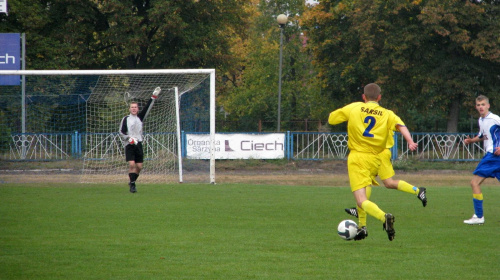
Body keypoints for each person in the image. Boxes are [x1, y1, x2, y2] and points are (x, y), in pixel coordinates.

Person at [328, 83, 403, 241]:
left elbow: (332, 119)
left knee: (361, 199)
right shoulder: (386, 113)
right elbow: (400, 126)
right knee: (365, 192)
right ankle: (362, 227)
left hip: (358, 157)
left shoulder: (355, 107)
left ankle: (384, 217)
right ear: (379, 97)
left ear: (363, 97)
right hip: (375, 158)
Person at [344, 118, 427, 230]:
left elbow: (400, 126)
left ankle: (362, 218)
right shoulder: (383, 115)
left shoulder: (382, 115)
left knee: (366, 183)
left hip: (378, 153)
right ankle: (417, 191)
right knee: (389, 183)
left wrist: (410, 141)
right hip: (378, 153)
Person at [463, 95, 500, 225]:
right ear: (476, 107)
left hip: (493, 156)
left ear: (488, 106)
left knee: (474, 183)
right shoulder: (481, 120)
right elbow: (483, 136)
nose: (481, 107)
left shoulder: (495, 119)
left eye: (483, 104)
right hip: (494, 157)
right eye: (478, 105)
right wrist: (471, 140)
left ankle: (479, 216)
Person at [119, 87, 161, 193]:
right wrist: (129, 138)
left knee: (139, 167)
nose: (133, 109)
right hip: (129, 145)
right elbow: (121, 132)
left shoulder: (140, 118)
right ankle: (132, 185)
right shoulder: (125, 119)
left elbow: (148, 107)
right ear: (129, 109)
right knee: (132, 165)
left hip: (139, 144)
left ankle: (132, 181)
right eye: (132, 107)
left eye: (135, 107)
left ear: (137, 109)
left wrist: (153, 96)